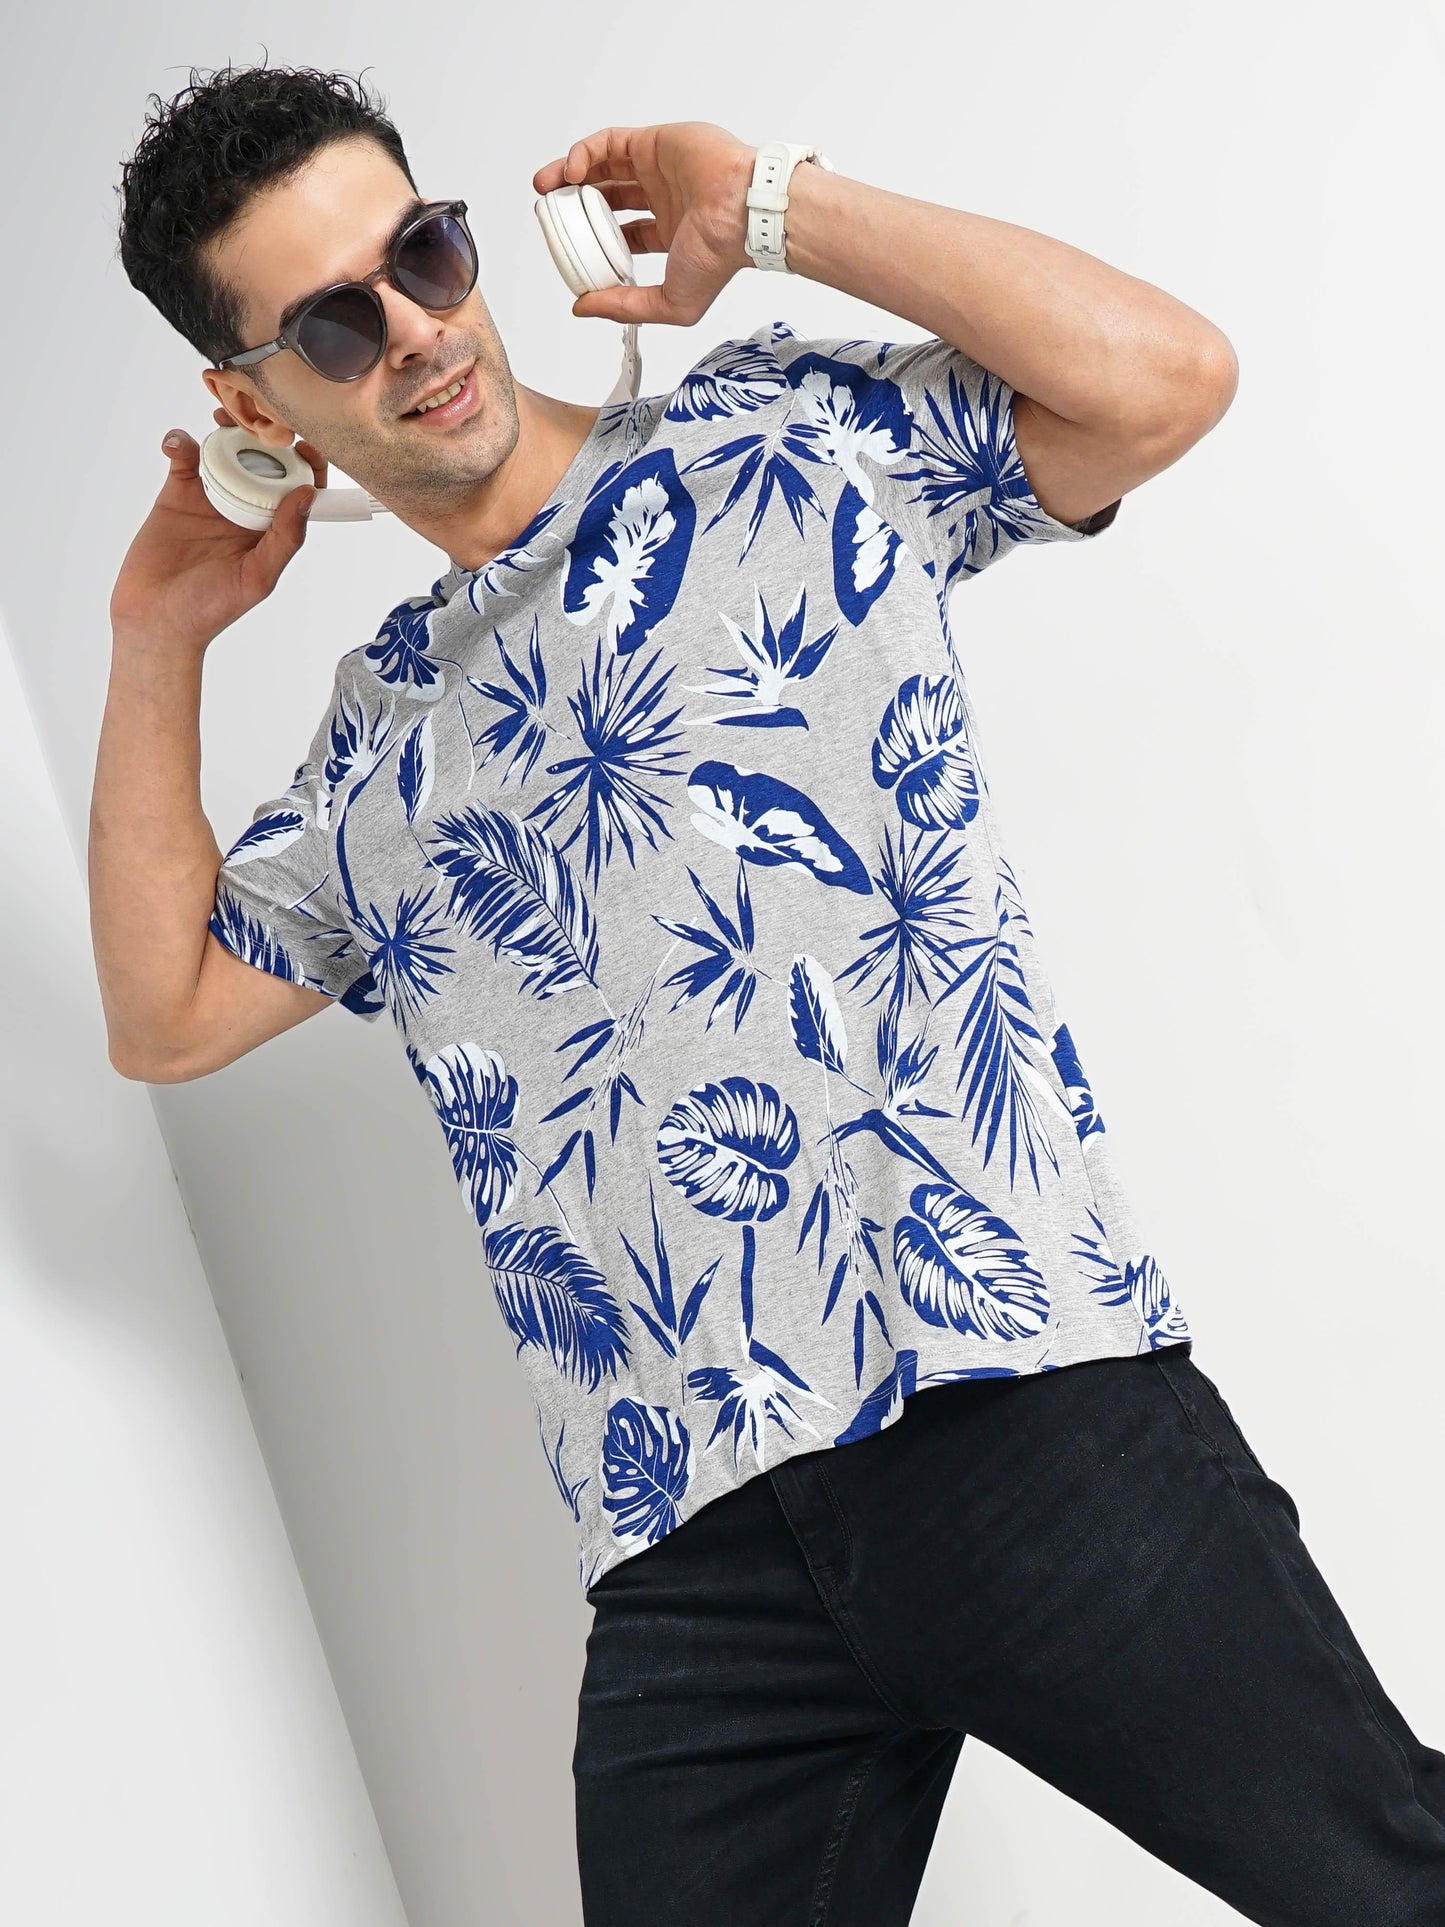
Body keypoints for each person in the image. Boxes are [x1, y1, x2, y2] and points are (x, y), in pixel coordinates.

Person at [93, 61, 1445, 1927]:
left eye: (424, 253)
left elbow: (1163, 381)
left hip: (1015, 1405)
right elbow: (162, 1014)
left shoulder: (781, 448)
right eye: (333, 321)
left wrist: (777, 208)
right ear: (256, 406)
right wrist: (155, 639)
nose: (412, 330)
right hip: (694, 1552)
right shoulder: (376, 744)